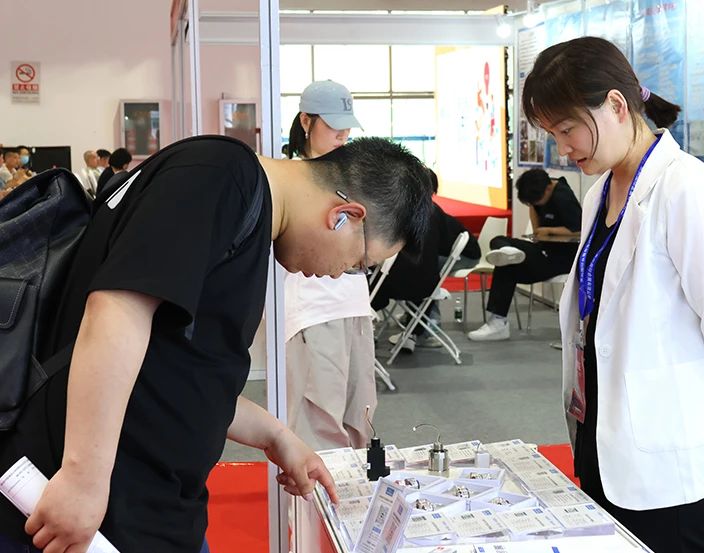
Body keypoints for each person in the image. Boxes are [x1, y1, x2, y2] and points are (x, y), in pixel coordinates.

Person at [0, 135, 433, 553]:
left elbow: (181, 374)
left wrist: (276, 436)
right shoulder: (218, 177)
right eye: (359, 263)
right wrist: (83, 480)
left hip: (153, 507)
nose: (342, 273)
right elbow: (116, 311)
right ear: (345, 215)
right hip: (94, 510)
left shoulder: (243, 207)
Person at [522, 36, 704, 553]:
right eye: (552, 134)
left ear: (616, 105)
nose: (562, 148)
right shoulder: (600, 192)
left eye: (567, 129)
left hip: (676, 460)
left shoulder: (686, 187)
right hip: (607, 438)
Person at [282, 80, 377, 451]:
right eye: (334, 125)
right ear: (306, 121)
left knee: (360, 420)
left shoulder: (351, 175)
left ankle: (354, 490)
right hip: (313, 311)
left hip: (355, 304)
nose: (343, 135)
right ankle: (314, 493)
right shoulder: (288, 177)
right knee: (319, 427)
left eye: (347, 126)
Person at [468, 168, 581, 341]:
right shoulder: (542, 188)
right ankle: (508, 252)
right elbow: (534, 212)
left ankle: (498, 323)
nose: (534, 205)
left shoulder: (563, 197)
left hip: (560, 258)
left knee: (507, 266)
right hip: (542, 249)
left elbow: (579, 229)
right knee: (499, 243)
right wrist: (537, 229)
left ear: (548, 189)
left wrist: (549, 231)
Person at [373, 170, 481, 353]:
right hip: (427, 284)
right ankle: (417, 328)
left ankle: (424, 325)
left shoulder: (405, 214)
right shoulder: (432, 211)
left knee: (391, 274)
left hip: (451, 262)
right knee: (425, 269)